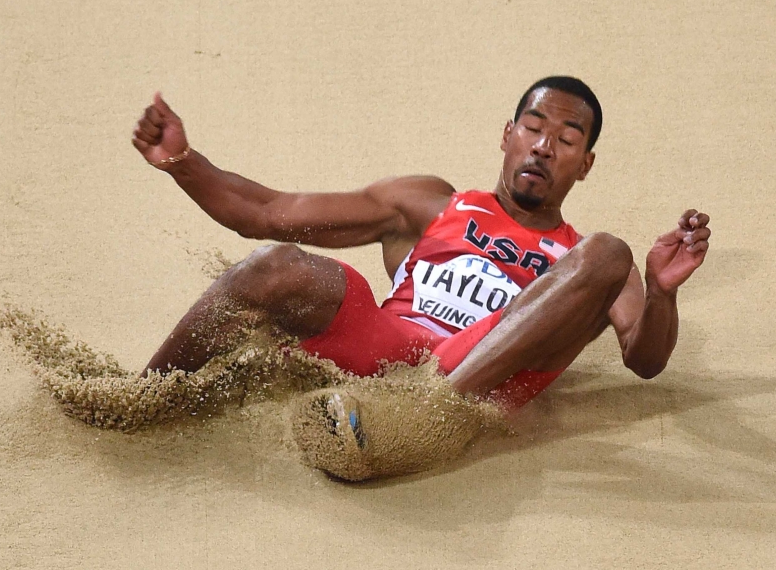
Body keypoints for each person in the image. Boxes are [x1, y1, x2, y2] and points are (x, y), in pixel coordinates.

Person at [131, 76, 710, 411]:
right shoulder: (431, 203)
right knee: (273, 264)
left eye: (564, 140)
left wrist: (660, 291)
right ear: (508, 135)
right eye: (533, 129)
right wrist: (182, 161)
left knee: (612, 249)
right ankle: (142, 398)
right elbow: (266, 214)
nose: (542, 146)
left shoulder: (590, 266)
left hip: (473, 381)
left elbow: (646, 359)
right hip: (388, 345)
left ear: (584, 165)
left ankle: (424, 412)